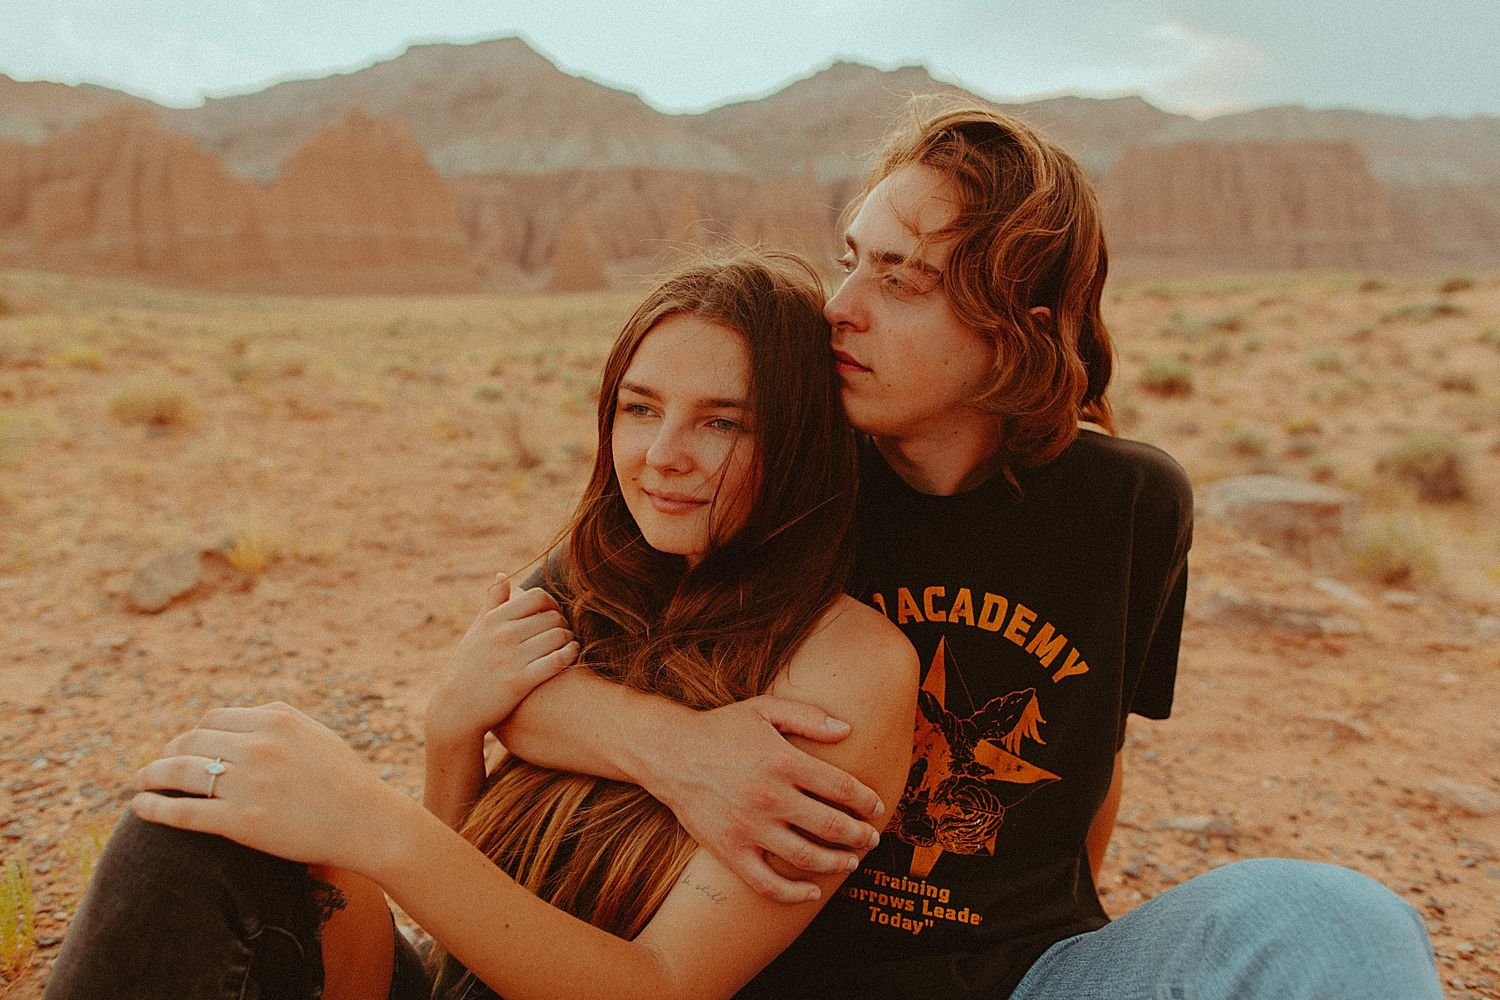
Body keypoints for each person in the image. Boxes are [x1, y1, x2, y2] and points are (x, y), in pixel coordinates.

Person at [493, 100, 1445, 999]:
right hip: (780, 975)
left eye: (900, 279)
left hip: (1035, 977)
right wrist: (674, 750)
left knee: (1335, 919)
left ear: (1017, 330)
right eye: (852, 260)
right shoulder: (782, 467)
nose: (841, 307)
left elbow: (1093, 761)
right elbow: (512, 674)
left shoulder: (1130, 502)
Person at [42, 250, 919, 1000]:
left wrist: (376, 825)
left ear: (801, 440)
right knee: (202, 811)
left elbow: (664, 984)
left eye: (722, 422)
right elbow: (466, 914)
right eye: (641, 408)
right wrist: (449, 730)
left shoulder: (849, 668)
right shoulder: (597, 573)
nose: (661, 457)